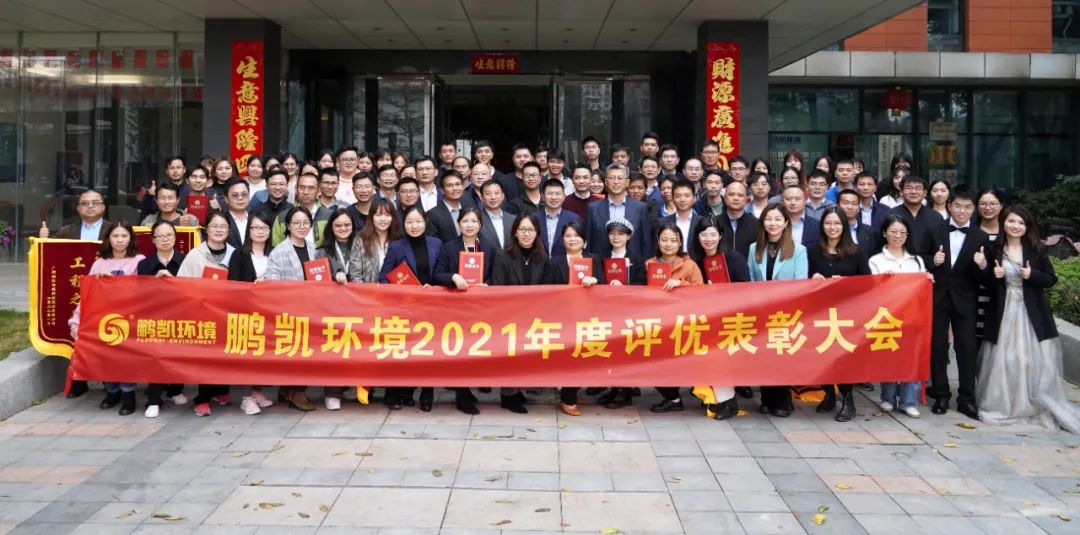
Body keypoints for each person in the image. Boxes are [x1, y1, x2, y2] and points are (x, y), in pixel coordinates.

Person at [978, 205, 1080, 433]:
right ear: (1003, 222)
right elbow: (985, 283)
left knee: (1028, 361)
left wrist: (1031, 275)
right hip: (1003, 313)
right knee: (1005, 360)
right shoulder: (993, 248)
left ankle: (1030, 404)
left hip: (1031, 314)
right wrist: (990, 272)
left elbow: (1051, 279)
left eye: (1020, 222)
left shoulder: (1036, 249)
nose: (1015, 226)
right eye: (1011, 221)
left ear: (1027, 226)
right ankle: (1005, 405)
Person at [69, 221, 145, 415]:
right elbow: (87, 296)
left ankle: (128, 395)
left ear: (131, 239)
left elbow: (147, 293)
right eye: (115, 236)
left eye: (124, 236)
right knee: (105, 357)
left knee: (126, 359)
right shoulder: (99, 264)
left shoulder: (139, 261)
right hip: (103, 321)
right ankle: (112, 392)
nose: (119, 240)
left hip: (130, 320)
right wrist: (76, 321)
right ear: (108, 239)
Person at [927, 188, 988, 419]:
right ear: (949, 206)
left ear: (973, 210)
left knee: (966, 349)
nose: (962, 211)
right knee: (938, 347)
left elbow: (985, 277)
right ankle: (941, 395)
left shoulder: (980, 236)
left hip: (965, 299)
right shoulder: (935, 230)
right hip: (938, 297)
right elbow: (919, 257)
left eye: (967, 207)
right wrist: (933, 261)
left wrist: (982, 265)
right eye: (958, 206)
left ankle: (966, 399)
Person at [378, 205, 444, 412]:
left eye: (418, 221)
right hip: (404, 308)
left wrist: (434, 287)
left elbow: (443, 273)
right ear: (403, 224)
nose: (414, 226)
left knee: (428, 353)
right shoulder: (396, 247)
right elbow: (383, 278)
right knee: (402, 352)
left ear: (425, 222)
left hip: (431, 307)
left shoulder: (436, 244)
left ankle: (426, 393)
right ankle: (396, 393)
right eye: (409, 222)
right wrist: (402, 290)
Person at [746, 204, 807, 417]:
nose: (773, 223)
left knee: (781, 355)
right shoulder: (754, 248)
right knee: (764, 356)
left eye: (778, 219)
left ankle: (782, 401)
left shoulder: (799, 250)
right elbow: (751, 281)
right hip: (761, 311)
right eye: (768, 219)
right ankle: (767, 399)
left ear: (786, 222)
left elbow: (801, 283)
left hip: (785, 313)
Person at [687, 216, 750, 420]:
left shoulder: (734, 258)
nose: (709, 239)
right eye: (704, 235)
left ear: (721, 236)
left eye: (713, 234)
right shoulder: (694, 262)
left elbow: (746, 288)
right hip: (704, 320)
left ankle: (728, 402)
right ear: (697, 237)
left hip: (730, 319)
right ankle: (715, 398)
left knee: (721, 360)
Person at [808, 207, 867, 422]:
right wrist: (813, 278)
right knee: (822, 355)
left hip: (846, 314)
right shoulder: (813, 250)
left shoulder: (856, 251)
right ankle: (828, 394)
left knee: (843, 358)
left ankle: (847, 399)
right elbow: (803, 279)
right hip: (820, 313)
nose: (832, 227)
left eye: (837, 223)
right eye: (828, 223)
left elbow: (867, 283)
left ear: (844, 226)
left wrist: (845, 283)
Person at [869, 215, 930, 418]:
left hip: (912, 316)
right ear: (884, 233)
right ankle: (888, 397)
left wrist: (927, 279)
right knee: (889, 357)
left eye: (902, 232)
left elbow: (921, 287)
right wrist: (883, 281)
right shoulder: (876, 260)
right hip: (887, 316)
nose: (898, 236)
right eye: (893, 232)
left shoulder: (916, 260)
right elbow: (871, 290)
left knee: (911, 358)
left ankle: (908, 401)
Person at [177, 210, 236, 416]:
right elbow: (182, 284)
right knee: (205, 357)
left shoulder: (235, 254)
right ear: (206, 229)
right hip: (202, 314)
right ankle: (202, 398)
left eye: (223, 226)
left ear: (228, 230)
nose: (219, 230)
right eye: (214, 226)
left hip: (227, 314)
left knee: (225, 354)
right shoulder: (195, 255)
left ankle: (221, 390)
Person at [542, 221, 603, 416]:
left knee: (586, 357)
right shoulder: (554, 263)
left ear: (584, 240)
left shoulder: (594, 259)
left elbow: (604, 285)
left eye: (576, 235)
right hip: (564, 319)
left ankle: (572, 392)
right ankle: (567, 399)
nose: (572, 239)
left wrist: (595, 281)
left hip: (589, 318)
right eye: (568, 236)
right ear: (562, 240)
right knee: (572, 358)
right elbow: (546, 292)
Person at [490, 213, 549, 414]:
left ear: (537, 233)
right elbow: (497, 286)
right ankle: (508, 396)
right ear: (515, 232)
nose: (526, 234)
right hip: (509, 316)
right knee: (510, 355)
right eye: (522, 229)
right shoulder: (503, 256)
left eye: (530, 230)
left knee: (526, 355)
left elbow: (547, 287)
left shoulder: (542, 256)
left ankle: (518, 390)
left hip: (533, 316)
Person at [264, 206, 319, 412]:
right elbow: (272, 282)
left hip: (312, 309)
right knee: (295, 352)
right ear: (288, 225)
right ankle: (297, 392)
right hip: (289, 310)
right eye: (296, 223)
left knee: (307, 351)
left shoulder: (314, 248)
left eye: (305, 223)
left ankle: (288, 390)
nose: (301, 227)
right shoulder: (279, 251)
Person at [648, 222, 705, 414]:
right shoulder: (649, 264)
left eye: (673, 240)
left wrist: (681, 284)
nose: (668, 244)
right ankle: (672, 398)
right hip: (657, 324)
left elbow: (702, 291)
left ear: (680, 242)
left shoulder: (690, 265)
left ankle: (703, 393)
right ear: (658, 241)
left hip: (683, 324)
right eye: (664, 239)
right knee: (652, 363)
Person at [136, 221, 188, 417]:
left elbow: (192, 289)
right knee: (156, 357)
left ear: (175, 238)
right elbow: (142, 294)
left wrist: (172, 281)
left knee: (179, 354)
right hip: (154, 318)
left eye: (169, 235)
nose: (165, 239)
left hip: (181, 316)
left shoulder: (185, 260)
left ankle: (175, 390)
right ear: (153, 240)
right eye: (160, 236)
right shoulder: (144, 264)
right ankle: (154, 399)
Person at [227, 211, 276, 416]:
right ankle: (245, 398)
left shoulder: (274, 253)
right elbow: (232, 285)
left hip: (269, 313)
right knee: (246, 356)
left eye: (264, 228)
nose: (260, 232)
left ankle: (257, 391)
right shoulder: (239, 254)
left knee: (261, 355)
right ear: (249, 230)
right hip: (245, 312)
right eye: (255, 228)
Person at [313, 209, 356, 410]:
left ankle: (355, 386)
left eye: (347, 225)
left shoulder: (361, 245)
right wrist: (334, 276)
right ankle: (332, 392)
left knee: (357, 350)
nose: (343, 228)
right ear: (331, 227)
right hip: (332, 309)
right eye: (338, 225)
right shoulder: (322, 250)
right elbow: (317, 278)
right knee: (335, 350)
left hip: (358, 306)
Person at [585, 163, 651, 259]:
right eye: (612, 178)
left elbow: (646, 243)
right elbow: (588, 243)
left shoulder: (640, 208)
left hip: (632, 264)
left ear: (627, 182)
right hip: (600, 263)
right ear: (606, 182)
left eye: (620, 178)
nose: (616, 182)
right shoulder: (593, 208)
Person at [975, 187, 1005, 353]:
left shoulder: (1008, 231)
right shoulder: (971, 231)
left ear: (1001, 206)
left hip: (1001, 294)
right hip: (974, 294)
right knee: (976, 341)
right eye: (983, 204)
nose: (988, 208)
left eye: (993, 204)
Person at [350, 198, 401, 283]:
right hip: (366, 290)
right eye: (378, 215)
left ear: (392, 218)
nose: (383, 219)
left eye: (387, 215)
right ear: (371, 217)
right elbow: (355, 274)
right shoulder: (361, 240)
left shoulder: (398, 240)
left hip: (393, 290)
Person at [39, 189, 109, 243]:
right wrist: (44, 239)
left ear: (103, 207)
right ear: (78, 208)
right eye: (84, 203)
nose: (90, 206)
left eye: (95, 203)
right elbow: (53, 252)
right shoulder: (65, 232)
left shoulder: (113, 231)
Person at [536, 178, 581, 258]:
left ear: (564, 196)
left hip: (564, 264)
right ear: (543, 197)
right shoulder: (534, 218)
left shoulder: (574, 219)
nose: (554, 197)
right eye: (550, 193)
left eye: (558, 194)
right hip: (539, 264)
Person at [715, 181, 757, 258]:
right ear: (725, 197)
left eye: (740, 195)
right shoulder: (714, 223)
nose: (735, 198)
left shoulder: (756, 224)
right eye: (731, 194)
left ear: (746, 199)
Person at [426, 170, 469, 243]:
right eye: (449, 185)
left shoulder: (469, 208)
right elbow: (433, 243)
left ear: (463, 187)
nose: (455, 188)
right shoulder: (432, 215)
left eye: (458, 184)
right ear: (442, 190)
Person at [663, 180, 703, 256]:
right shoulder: (662, 222)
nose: (682, 200)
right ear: (672, 198)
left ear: (693, 198)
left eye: (687, 196)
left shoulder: (701, 221)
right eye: (678, 196)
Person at [478, 179, 516, 252]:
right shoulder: (477, 220)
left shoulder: (513, 219)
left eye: (496, 193)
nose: (493, 197)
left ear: (503, 196)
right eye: (488, 194)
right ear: (481, 197)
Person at [223, 179, 252, 250]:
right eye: (235, 195)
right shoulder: (221, 220)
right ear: (226, 199)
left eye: (244, 194)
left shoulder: (257, 219)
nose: (240, 198)